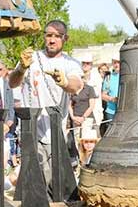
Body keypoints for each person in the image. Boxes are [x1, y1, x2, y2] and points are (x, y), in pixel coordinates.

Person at [8, 20, 83, 184]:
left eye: (57, 36)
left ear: (65, 39)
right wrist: (21, 69)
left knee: (50, 179)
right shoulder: (31, 58)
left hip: (54, 131)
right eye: (49, 35)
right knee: (32, 178)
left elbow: (76, 83)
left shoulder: (70, 63)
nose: (52, 40)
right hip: (30, 129)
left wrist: (64, 82)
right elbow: (12, 83)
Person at [100, 54, 119, 136]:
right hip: (111, 112)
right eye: (115, 62)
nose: (117, 64)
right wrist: (112, 99)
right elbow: (103, 95)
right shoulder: (109, 77)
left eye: (119, 62)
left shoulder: (129, 75)